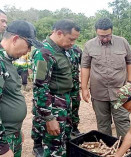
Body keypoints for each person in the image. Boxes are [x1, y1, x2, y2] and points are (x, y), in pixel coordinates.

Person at [32, 19, 80, 157]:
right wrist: (49, 118)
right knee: (54, 145)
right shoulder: (44, 53)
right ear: (59, 33)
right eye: (71, 39)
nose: (73, 43)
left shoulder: (66, 50)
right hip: (52, 105)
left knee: (64, 140)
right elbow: (40, 87)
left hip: (64, 102)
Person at [81, 18, 131, 138]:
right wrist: (84, 88)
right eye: (101, 36)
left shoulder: (122, 42)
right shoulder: (89, 45)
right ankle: (106, 148)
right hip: (98, 92)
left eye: (108, 35)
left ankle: (125, 149)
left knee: (122, 121)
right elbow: (85, 66)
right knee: (103, 123)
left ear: (112, 31)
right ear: (96, 32)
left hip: (120, 91)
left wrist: (130, 82)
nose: (105, 38)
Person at [0, 20, 42, 157]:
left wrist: (17, 129)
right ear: (15, 39)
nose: (28, 51)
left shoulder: (8, 61)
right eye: (28, 45)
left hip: (11, 134)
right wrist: (2, 147)